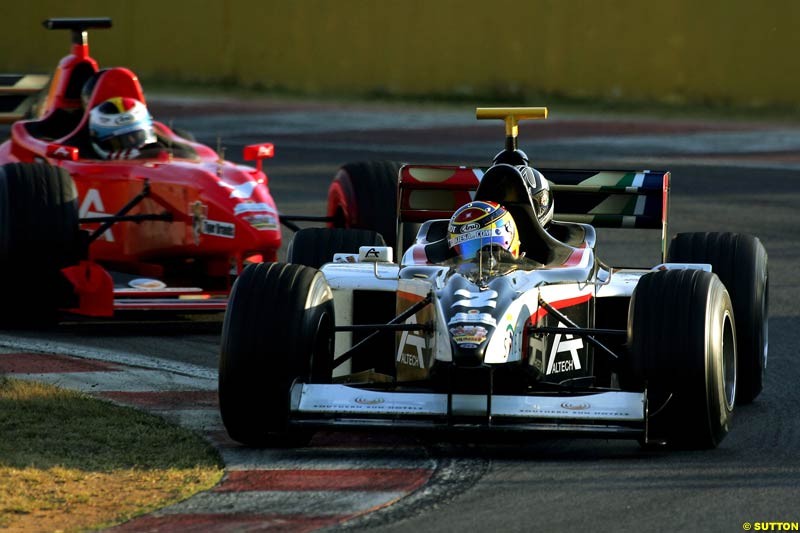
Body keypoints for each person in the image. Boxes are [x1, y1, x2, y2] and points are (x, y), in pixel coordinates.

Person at [446, 200, 520, 262]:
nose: (486, 258)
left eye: (493, 249)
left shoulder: (527, 277)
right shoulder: (452, 278)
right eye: (470, 249)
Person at [88, 97, 156, 159]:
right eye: (122, 141)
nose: (134, 148)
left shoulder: (162, 147)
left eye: (138, 137)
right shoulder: (84, 155)